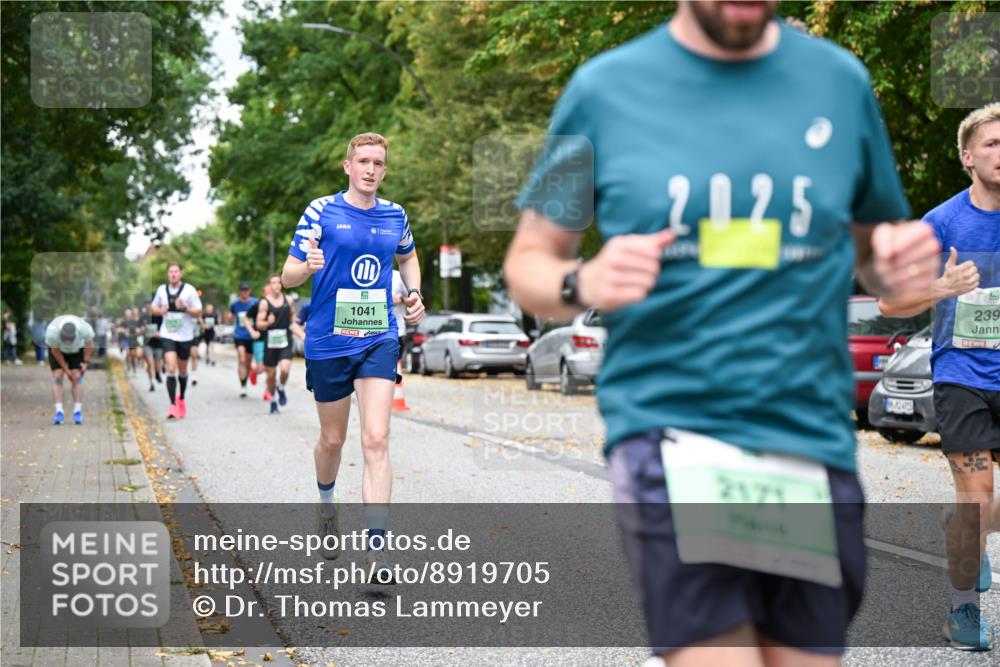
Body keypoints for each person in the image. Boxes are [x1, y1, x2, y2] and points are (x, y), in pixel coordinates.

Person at [503, 3, 941, 665]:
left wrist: (901, 263)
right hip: (675, 427)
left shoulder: (837, 83)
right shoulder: (606, 90)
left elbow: (878, 262)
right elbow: (529, 259)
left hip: (806, 435)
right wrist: (582, 282)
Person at [879, 102, 1000, 651]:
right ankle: (963, 614)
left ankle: (967, 541)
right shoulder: (940, 223)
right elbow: (891, 301)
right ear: (967, 156)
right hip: (962, 375)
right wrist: (942, 289)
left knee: (971, 521)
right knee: (977, 497)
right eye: (992, 144)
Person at [281, 132, 424, 580]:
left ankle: (377, 554)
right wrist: (307, 267)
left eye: (378, 163)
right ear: (348, 166)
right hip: (328, 340)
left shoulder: (394, 215)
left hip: (378, 335)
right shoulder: (321, 210)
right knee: (333, 441)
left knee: (377, 439)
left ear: (384, 168)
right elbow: (286, 277)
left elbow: (409, 258)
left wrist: (415, 292)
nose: (370, 169)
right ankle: (327, 504)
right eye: (362, 161)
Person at [150, 263, 202, 419]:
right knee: (171, 369)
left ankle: (181, 399)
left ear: (181, 273)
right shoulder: (161, 290)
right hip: (168, 334)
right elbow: (153, 308)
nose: (173, 274)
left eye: (176, 271)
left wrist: (185, 307)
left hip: (185, 336)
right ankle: (172, 405)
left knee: (183, 371)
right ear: (168, 274)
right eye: (170, 271)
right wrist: (161, 310)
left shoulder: (189, 290)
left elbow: (198, 310)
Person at [44, 314, 95, 425]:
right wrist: (66, 370)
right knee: (57, 377)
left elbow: (90, 344)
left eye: (69, 340)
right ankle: (59, 411)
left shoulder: (84, 329)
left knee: (77, 377)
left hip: (76, 351)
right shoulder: (52, 332)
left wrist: (86, 362)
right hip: (58, 351)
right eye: (65, 339)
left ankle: (77, 411)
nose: (67, 342)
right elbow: (55, 351)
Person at [256, 274, 295, 414]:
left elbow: (293, 318)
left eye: (279, 282)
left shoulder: (288, 300)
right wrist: (268, 322)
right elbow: (258, 324)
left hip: (285, 339)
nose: (277, 285)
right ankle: (273, 400)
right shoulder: (264, 303)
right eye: (273, 283)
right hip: (271, 341)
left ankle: (281, 387)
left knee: (285, 369)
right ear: (270, 286)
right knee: (271, 375)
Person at [230, 282, 259, 398]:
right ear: (240, 292)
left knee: (248, 361)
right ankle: (243, 386)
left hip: (251, 336)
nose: (244, 293)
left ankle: (245, 380)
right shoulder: (235, 305)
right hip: (239, 335)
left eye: (246, 290)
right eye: (242, 290)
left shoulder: (255, 302)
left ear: (249, 291)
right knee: (241, 359)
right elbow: (231, 315)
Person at [247, 282, 270, 401]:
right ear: (263, 293)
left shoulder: (277, 304)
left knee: (271, 367)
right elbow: (246, 318)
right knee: (261, 368)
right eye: (267, 291)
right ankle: (254, 370)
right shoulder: (257, 305)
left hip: (272, 340)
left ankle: (267, 391)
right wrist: (252, 332)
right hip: (259, 339)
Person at [141, 301, 164, 393]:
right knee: (150, 363)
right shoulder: (143, 318)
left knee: (157, 362)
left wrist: (160, 333)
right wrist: (143, 330)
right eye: (147, 307)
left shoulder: (159, 317)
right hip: (147, 343)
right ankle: (151, 383)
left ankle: (158, 373)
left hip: (158, 343)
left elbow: (165, 328)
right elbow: (138, 329)